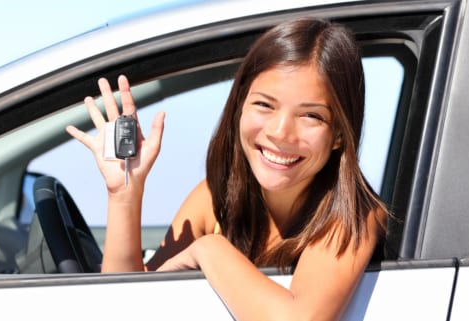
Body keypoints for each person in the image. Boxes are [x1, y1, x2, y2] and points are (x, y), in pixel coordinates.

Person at [65, 17, 388, 321]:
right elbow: (128, 304)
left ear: (339, 135)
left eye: (311, 116)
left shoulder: (352, 215)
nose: (280, 132)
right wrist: (125, 194)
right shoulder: (215, 197)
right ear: (238, 109)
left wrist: (209, 248)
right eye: (264, 105)